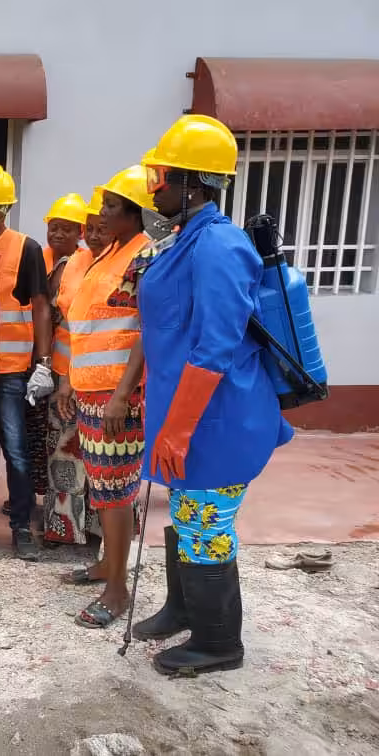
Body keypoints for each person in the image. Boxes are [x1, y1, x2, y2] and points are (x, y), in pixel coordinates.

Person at [133, 115, 294, 675]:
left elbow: (216, 347)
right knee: (187, 512)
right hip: (187, 415)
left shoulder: (220, 246)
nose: (154, 186)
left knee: (206, 524)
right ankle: (183, 609)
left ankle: (219, 641)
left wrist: (177, 430)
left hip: (218, 421)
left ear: (194, 182)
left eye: (162, 175)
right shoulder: (186, 239)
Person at [55, 165, 152, 628]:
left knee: (115, 493)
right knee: (102, 486)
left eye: (112, 207)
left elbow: (147, 331)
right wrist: (73, 382)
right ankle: (105, 567)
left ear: (135, 213)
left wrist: (121, 395)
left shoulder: (144, 256)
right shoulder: (108, 253)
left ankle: (117, 591)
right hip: (94, 391)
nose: (102, 214)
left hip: (120, 398)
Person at [0, 165, 53, 561]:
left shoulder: (27, 248)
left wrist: (43, 359)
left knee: (16, 448)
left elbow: (39, 306)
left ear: (7, 210)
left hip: (14, 369)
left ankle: (21, 526)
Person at [39, 189, 108, 545]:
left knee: (103, 457)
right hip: (66, 375)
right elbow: (65, 322)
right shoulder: (73, 266)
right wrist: (62, 376)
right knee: (64, 453)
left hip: (105, 378)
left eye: (101, 228)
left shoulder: (119, 266)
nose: (95, 235)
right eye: (91, 229)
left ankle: (99, 530)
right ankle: (65, 528)